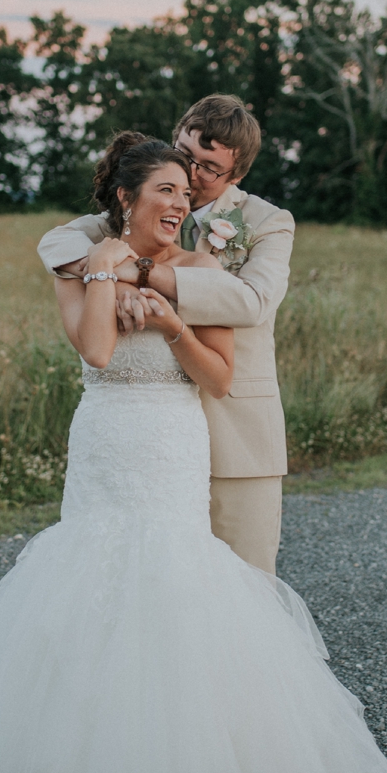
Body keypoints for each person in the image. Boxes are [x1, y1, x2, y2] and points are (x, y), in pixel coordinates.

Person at [0, 134, 387, 773]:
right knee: (92, 585)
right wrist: (105, 276)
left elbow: (220, 377)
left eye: (186, 195)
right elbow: (96, 350)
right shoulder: (85, 261)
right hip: (103, 443)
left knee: (174, 582)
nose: (179, 203)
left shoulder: (202, 272)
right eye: (165, 190)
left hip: (171, 440)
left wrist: (171, 325)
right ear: (126, 198)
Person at [38, 94, 292, 575]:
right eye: (185, 153)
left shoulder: (266, 222)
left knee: (245, 583)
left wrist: (141, 275)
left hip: (236, 424)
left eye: (207, 167)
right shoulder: (139, 200)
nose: (191, 177)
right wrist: (104, 271)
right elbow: (54, 244)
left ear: (235, 176)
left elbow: (252, 303)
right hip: (144, 440)